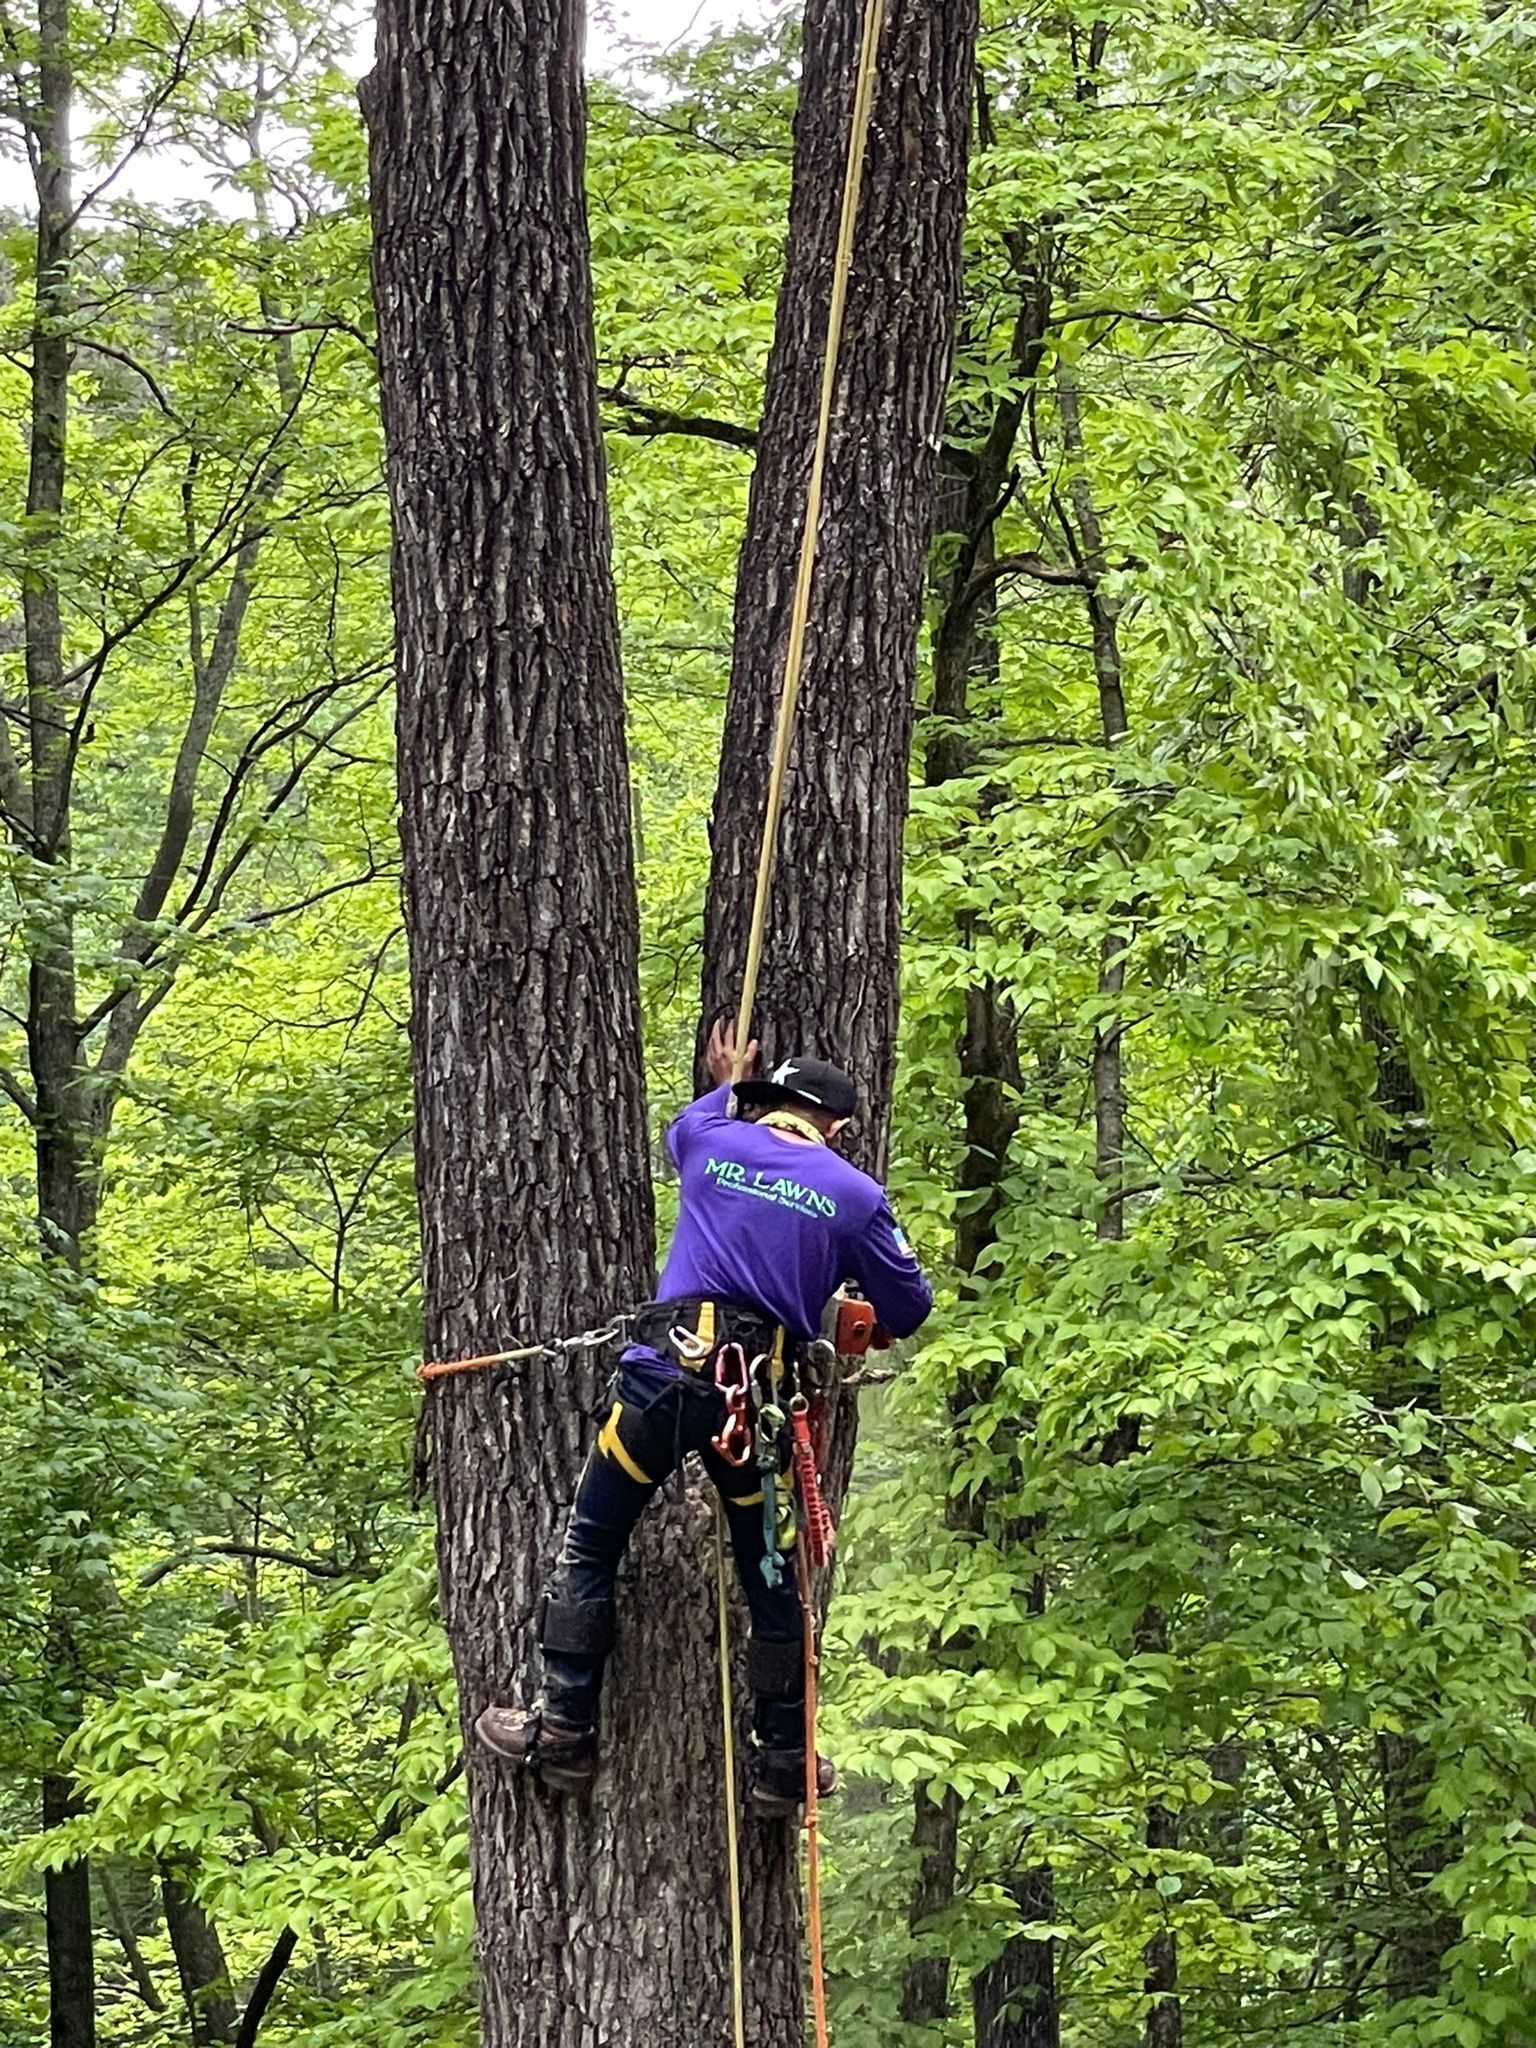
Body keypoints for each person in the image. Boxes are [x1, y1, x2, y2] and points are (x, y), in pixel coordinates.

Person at [476, 1016, 933, 1812]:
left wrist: (725, 1078)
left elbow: (692, 1122)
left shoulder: (710, 1142)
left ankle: (564, 1733)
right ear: (840, 1128)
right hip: (751, 1403)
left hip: (659, 1381)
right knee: (770, 1581)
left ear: (769, 1104)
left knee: (592, 1543)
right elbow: (908, 1307)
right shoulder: (856, 1196)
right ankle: (784, 1758)